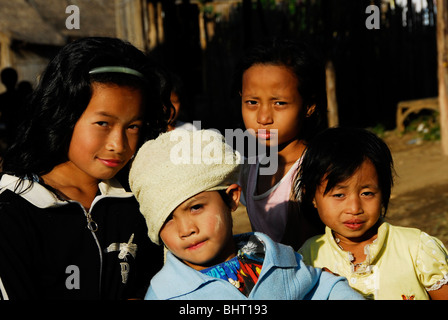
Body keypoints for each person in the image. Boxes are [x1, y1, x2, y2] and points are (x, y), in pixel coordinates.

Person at [0, 37, 170, 300]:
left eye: (133, 126)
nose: (118, 144)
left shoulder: (139, 199)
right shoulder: (14, 211)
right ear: (63, 116)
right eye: (103, 123)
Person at [128, 129, 364, 300]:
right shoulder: (166, 293)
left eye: (196, 207)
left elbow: (324, 287)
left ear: (232, 198)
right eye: (167, 218)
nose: (186, 229)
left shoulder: (275, 260)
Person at [296, 127, 448, 300]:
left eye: (367, 193)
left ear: (382, 192)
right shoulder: (308, 258)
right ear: (311, 197)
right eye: (339, 195)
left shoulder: (416, 249)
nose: (354, 208)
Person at [235, 38, 327, 250]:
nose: (263, 117)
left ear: (309, 106)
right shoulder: (248, 171)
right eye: (252, 102)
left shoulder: (316, 169)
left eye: (279, 103)